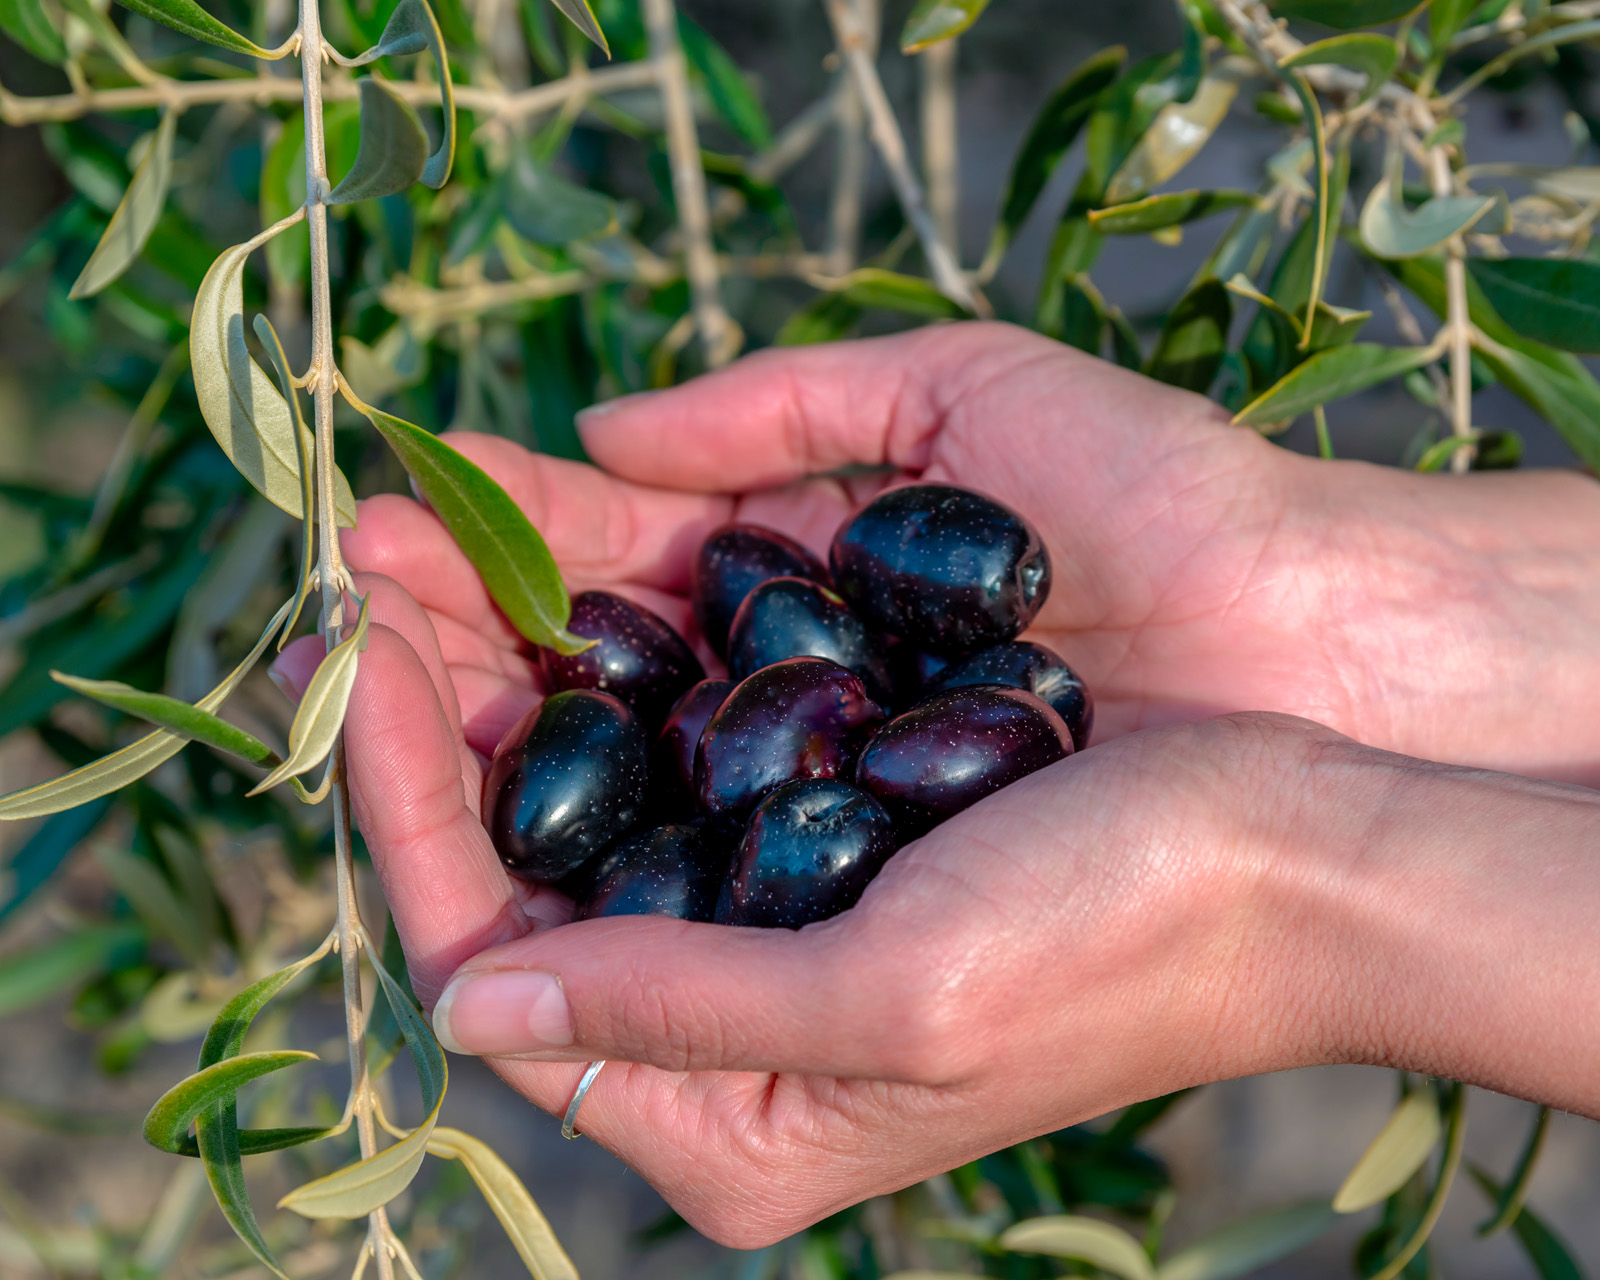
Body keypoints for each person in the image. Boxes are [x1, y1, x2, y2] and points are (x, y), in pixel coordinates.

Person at [273, 323, 1600, 1249]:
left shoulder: (835, 722)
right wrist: (1448, 600)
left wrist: (1280, 893)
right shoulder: (801, 725)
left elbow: (792, 776)